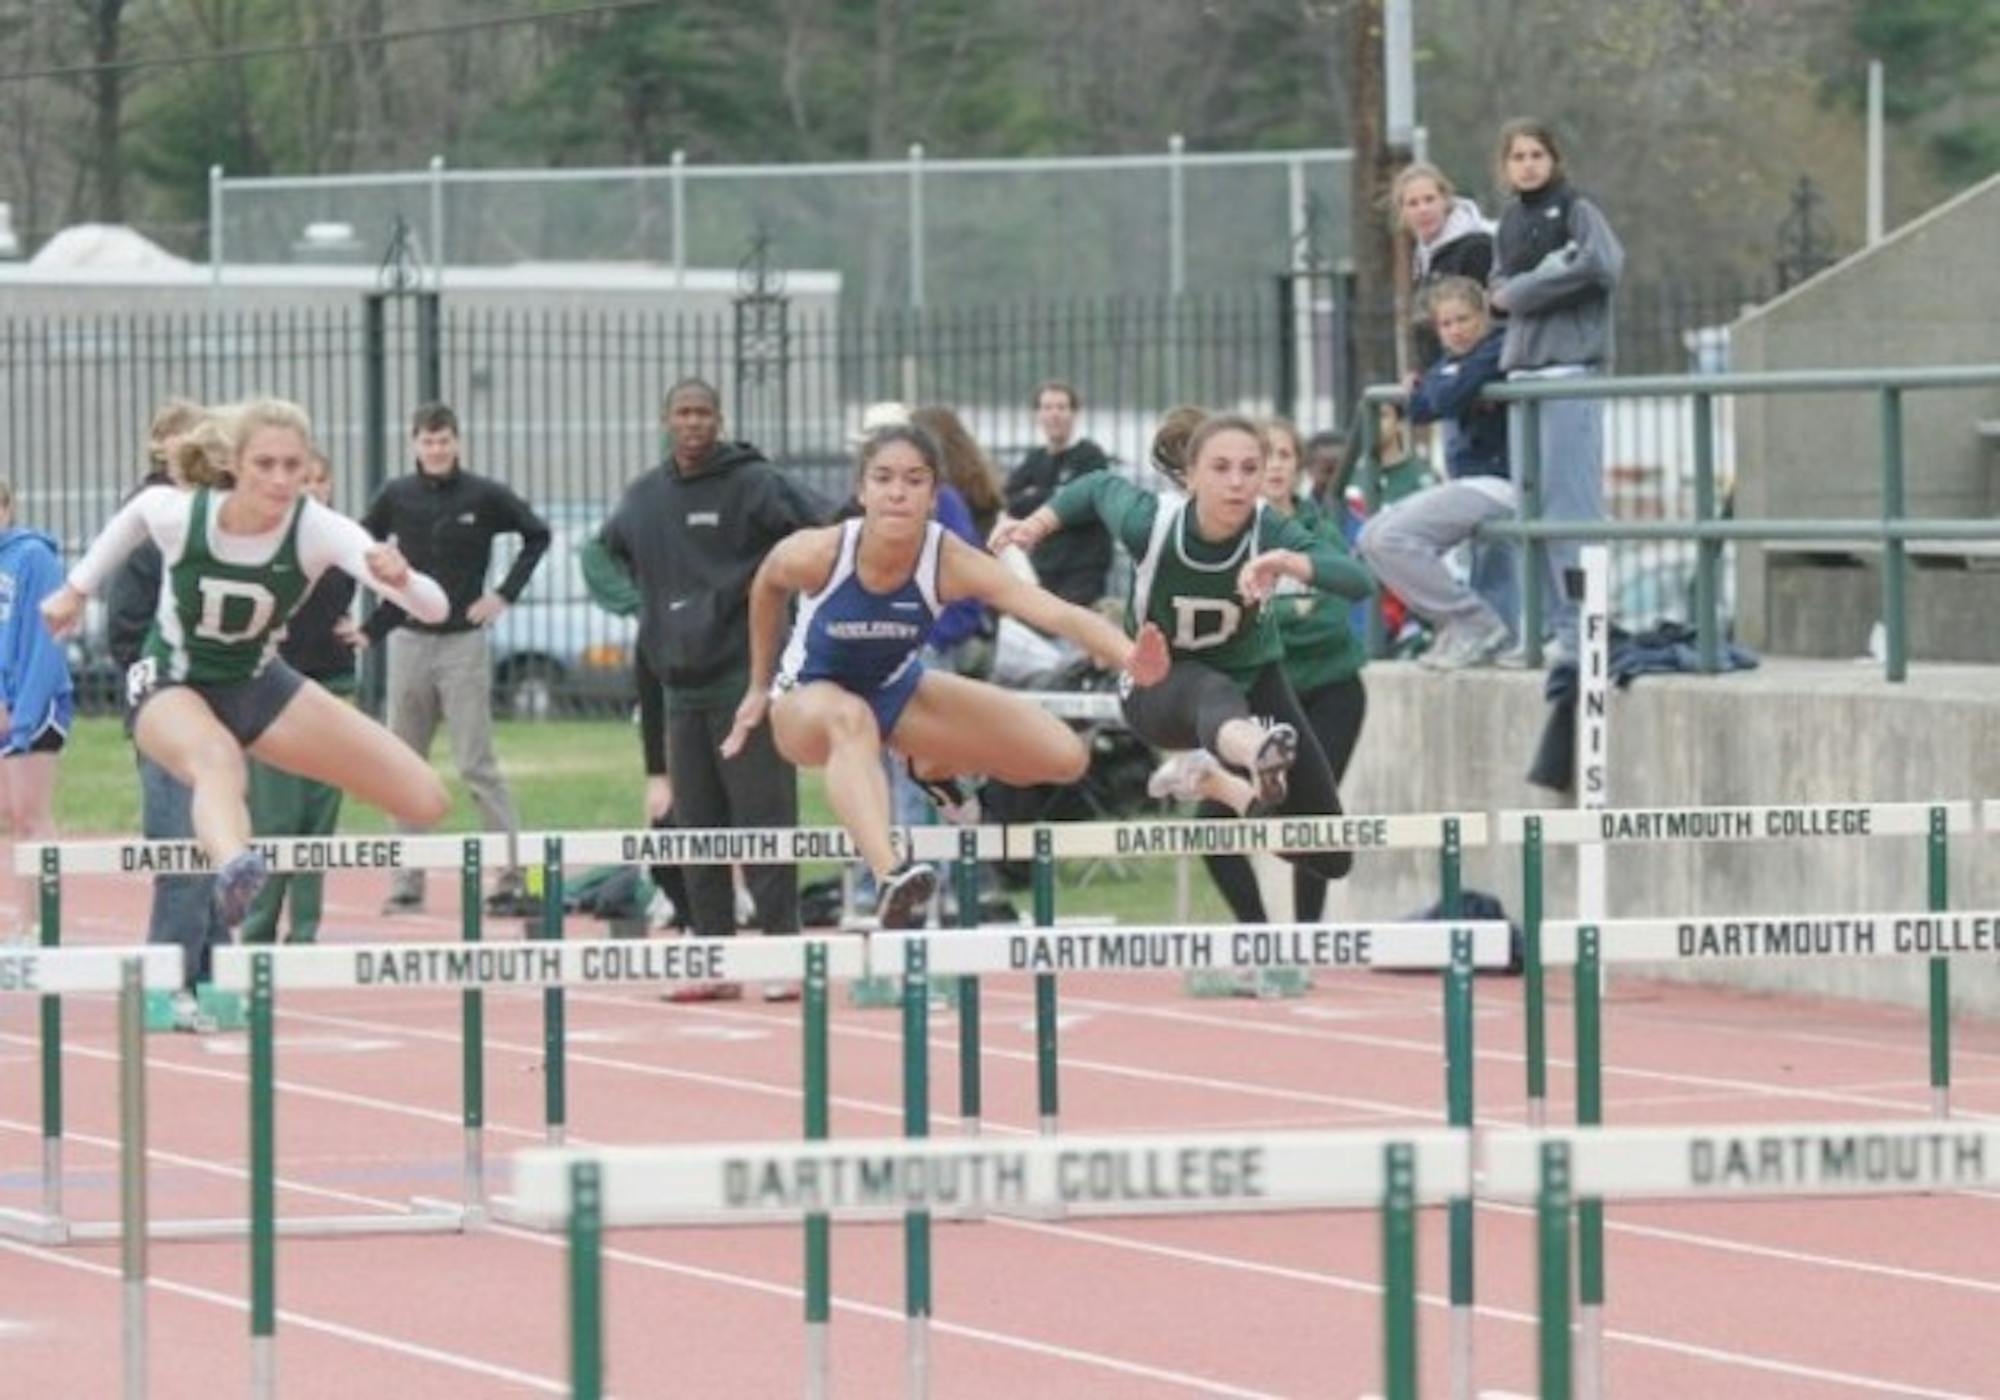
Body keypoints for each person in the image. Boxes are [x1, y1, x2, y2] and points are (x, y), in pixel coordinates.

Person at [722, 423, 1169, 930]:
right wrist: (759, 684)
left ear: (934, 496)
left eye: (914, 480)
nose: (897, 492)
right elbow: (766, 584)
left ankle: (932, 768)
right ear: (861, 491)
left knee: (1064, 757)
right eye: (884, 478)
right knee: (851, 719)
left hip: (894, 688)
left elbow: (1052, 612)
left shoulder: (949, 560)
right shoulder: (820, 552)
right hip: (807, 702)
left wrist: (1130, 655)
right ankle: (892, 876)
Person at [43, 398, 453, 934]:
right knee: (218, 763)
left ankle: (246, 848)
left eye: (293, 466)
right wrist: (77, 587)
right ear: (235, 464)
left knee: (426, 801)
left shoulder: (319, 529)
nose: (281, 480)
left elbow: (437, 609)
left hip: (255, 682)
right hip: (171, 680)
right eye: (265, 464)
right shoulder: (184, 513)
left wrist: (404, 582)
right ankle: (237, 867)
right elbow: (137, 514)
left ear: (310, 468)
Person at [992, 414, 1374, 888]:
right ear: (1190, 476)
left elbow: (1360, 582)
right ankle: (1257, 752)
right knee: (1209, 689)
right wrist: (1035, 525)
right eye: (1220, 468)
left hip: (1254, 681)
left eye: (1249, 469)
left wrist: (1287, 560)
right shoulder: (1149, 522)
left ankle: (1221, 784)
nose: (1237, 483)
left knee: (1330, 854)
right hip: (1157, 685)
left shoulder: (1268, 529)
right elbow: (1092, 486)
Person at [599, 377, 827, 999]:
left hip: (745, 682)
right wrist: (639, 606)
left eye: (703, 413)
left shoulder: (754, 483)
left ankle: (782, 951)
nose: (693, 423)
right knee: (698, 829)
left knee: (763, 820)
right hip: (680, 690)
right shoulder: (645, 497)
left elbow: (825, 529)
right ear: (666, 420)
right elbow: (599, 554)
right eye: (683, 413)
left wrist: (790, 598)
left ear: (719, 419)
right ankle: (714, 956)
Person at [363, 402, 550, 916]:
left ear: (457, 442)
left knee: (476, 763)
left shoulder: (483, 496)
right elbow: (362, 544)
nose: (436, 449)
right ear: (414, 445)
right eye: (427, 441)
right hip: (408, 640)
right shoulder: (395, 496)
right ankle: (406, 883)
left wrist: (504, 595)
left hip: (464, 643)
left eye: (444, 440)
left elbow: (538, 534)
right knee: (402, 762)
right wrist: (385, 592)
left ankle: (511, 877)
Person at [1189, 420, 1368, 925]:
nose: (1273, 468)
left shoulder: (1321, 531)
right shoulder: (1228, 537)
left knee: (1311, 819)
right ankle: (1257, 933)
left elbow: (1335, 618)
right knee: (1213, 824)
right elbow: (1230, 625)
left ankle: (1303, 942)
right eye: (1261, 459)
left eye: (1285, 456)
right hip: (1262, 699)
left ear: (1296, 467)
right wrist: (1293, 614)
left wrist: (1276, 617)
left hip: (1332, 693)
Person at [108, 399, 228, 1024]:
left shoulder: (214, 521)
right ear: (163, 449)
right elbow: (124, 629)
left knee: (219, 840)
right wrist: (164, 682)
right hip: (163, 705)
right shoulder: (147, 521)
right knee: (181, 845)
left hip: (217, 704)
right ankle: (167, 982)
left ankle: (217, 975)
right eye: (183, 442)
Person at [1488, 118, 1624, 657]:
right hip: (1523, 376)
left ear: (1555, 159)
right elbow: (1497, 291)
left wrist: (1529, 288)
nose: (1527, 165)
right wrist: (1530, 286)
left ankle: (1581, 626)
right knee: (1531, 511)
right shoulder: (1509, 224)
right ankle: (1542, 625)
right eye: (1517, 156)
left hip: (1568, 371)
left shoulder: (1577, 209)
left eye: (1536, 155)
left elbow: (1602, 266)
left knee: (1572, 508)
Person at [1359, 277, 1518, 670]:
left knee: (1393, 537)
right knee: (1371, 537)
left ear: (1483, 316)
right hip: (1468, 483)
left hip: (1500, 483)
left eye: (1463, 319)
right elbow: (1421, 409)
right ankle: (1456, 622)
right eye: (1445, 325)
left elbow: (1442, 397)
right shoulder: (1451, 362)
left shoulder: (1497, 349)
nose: (1456, 331)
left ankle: (1475, 621)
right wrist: (1432, 387)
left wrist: (1431, 386)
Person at [238, 450, 360, 945]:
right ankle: (258, 927)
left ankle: (306, 932)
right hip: (275, 690)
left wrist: (371, 627)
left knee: (319, 818)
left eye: (319, 481)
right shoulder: (263, 544)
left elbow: (399, 580)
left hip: (332, 685)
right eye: (301, 480)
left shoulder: (344, 542)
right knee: (276, 816)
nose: (310, 489)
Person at [0, 480, 74, 941]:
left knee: (31, 813)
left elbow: (45, 641)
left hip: (35, 703)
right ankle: (23, 915)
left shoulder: (34, 558)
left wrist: (22, 713)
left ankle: (39, 921)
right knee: (10, 814)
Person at [995, 381, 1114, 606]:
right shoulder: (1035, 459)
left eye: (1061, 407)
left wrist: (1034, 495)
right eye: (1047, 408)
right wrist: (1053, 493)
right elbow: (1008, 501)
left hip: (1082, 570)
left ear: (1074, 413)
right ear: (1037, 415)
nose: (1054, 415)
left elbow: (1080, 505)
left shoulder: (1090, 456)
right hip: (1042, 568)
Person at [1392, 162, 1496, 370]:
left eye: (1429, 199)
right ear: (1402, 212)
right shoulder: (1423, 256)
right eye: (1412, 203)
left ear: (1446, 200)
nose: (1423, 210)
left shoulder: (1476, 248)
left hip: (1470, 376)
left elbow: (1485, 322)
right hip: (1438, 373)